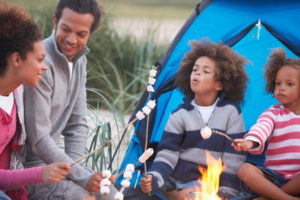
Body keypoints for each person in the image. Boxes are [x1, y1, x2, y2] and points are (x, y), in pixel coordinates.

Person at [23, 0, 115, 199]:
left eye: (81, 34)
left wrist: (74, 173)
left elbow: (77, 124)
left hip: (59, 166)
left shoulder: (80, 60)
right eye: (66, 29)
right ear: (55, 21)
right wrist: (78, 177)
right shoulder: (41, 63)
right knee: (84, 197)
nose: (71, 40)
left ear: (91, 33)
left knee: (112, 194)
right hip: (30, 169)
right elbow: (38, 140)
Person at [137, 40, 249, 200]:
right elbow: (167, 153)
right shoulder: (180, 114)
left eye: (205, 71)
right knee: (187, 194)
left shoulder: (231, 112)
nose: (197, 73)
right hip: (180, 182)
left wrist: (226, 194)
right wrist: (154, 178)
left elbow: (234, 158)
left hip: (214, 185)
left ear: (219, 83)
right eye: (195, 69)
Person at [0, 2, 71, 200]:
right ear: (16, 60)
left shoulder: (16, 95)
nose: (45, 67)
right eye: (39, 59)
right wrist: (41, 174)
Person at [233, 48, 300, 200]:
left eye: (289, 84)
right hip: (272, 177)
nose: (281, 88)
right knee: (244, 170)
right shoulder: (274, 113)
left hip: (297, 178)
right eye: (278, 83)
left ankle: (268, 197)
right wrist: (250, 142)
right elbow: (261, 128)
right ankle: (285, 197)